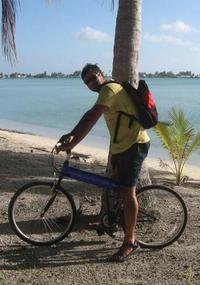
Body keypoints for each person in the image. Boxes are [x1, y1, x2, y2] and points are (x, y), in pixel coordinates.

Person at [56, 63, 150, 262]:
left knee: (127, 192)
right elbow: (87, 115)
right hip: (120, 147)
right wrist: (71, 134)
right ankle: (110, 222)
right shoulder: (107, 91)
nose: (91, 83)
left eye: (93, 77)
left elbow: (91, 118)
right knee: (114, 188)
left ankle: (130, 242)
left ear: (102, 74)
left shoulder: (110, 88)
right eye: (87, 82)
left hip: (134, 145)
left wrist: (73, 141)